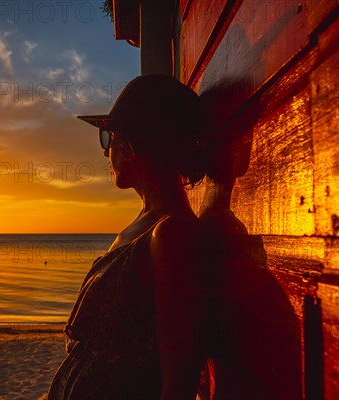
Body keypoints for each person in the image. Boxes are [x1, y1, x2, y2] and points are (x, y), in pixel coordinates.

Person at [47, 74, 208, 399]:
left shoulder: (171, 235)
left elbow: (180, 378)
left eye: (110, 138)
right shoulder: (142, 225)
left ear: (133, 146)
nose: (107, 153)